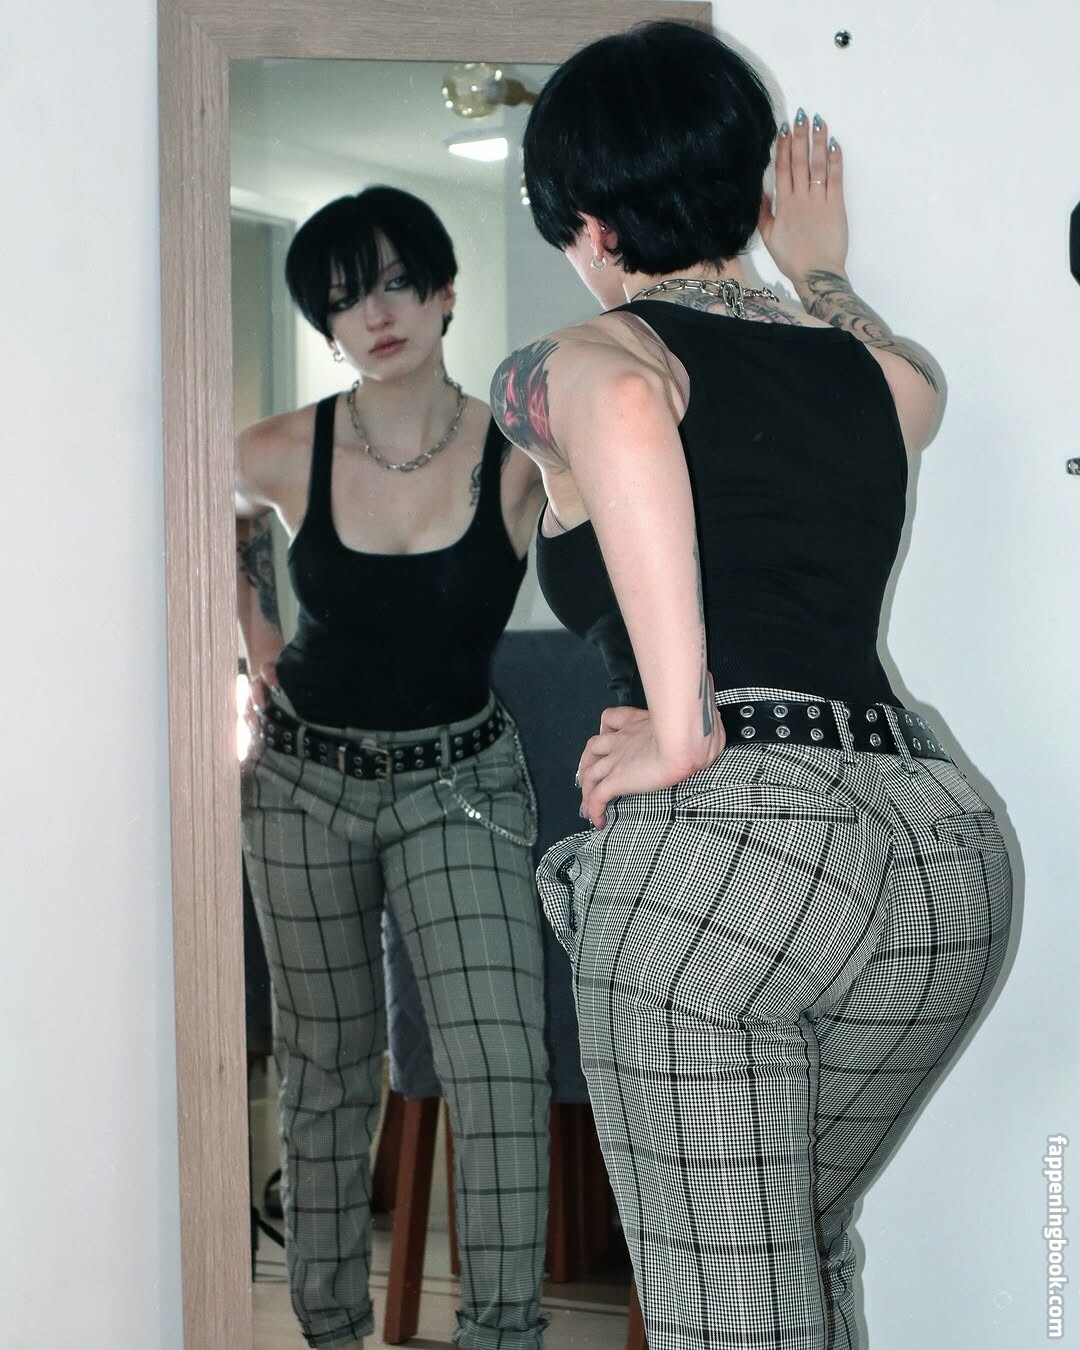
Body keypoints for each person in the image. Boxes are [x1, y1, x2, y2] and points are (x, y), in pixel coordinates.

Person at [490, 22, 1013, 1350]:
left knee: (731, 1315)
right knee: (794, 1256)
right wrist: (820, 270)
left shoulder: (577, 357)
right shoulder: (866, 371)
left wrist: (680, 725)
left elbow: (620, 409)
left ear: (587, 225)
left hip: (734, 872)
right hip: (938, 858)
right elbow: (917, 385)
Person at [235, 185, 550, 1350]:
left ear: (444, 292)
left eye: (395, 284)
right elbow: (210, 503)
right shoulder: (285, 447)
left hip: (462, 779)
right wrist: (256, 637)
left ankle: (503, 1334)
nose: (374, 315)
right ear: (325, 323)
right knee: (326, 1067)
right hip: (301, 783)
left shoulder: (519, 453)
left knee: (500, 1065)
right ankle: (328, 1330)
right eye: (343, 299)